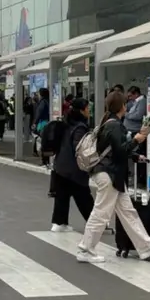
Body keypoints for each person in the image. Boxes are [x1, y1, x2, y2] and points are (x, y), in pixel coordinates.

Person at [76, 92, 150, 263]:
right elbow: (120, 150)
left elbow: (114, 149)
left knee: (128, 212)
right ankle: (85, 250)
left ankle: (146, 246)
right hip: (109, 175)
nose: (127, 106)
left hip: (111, 175)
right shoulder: (114, 125)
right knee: (101, 213)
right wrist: (137, 140)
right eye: (125, 104)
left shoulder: (108, 123)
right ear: (121, 106)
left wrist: (135, 155)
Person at [50, 98, 95, 232]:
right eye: (87, 108)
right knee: (83, 196)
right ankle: (95, 223)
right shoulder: (80, 127)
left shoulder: (66, 123)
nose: (89, 111)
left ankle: (59, 223)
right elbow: (79, 147)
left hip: (60, 165)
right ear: (82, 110)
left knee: (62, 196)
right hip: (73, 167)